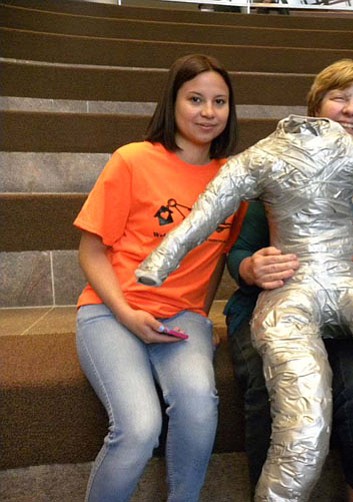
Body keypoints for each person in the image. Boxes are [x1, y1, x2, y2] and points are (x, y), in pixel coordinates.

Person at [224, 59, 353, 502]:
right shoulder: (276, 164)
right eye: (339, 97)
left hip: (349, 309)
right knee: (266, 385)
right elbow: (238, 256)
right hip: (274, 304)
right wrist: (252, 267)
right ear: (315, 108)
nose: (350, 110)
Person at [74, 54, 245, 502]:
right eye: (195, 99)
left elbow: (215, 261)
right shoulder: (133, 160)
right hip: (111, 311)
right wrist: (128, 315)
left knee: (199, 407)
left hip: (181, 320)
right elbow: (91, 250)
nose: (209, 112)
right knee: (138, 427)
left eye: (220, 101)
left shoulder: (233, 180)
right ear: (173, 103)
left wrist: (200, 318)